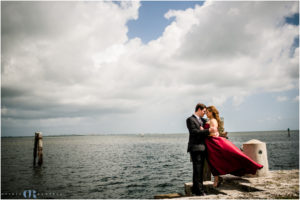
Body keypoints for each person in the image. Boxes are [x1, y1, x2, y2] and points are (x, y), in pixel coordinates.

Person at [204, 106, 263, 188]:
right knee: (214, 162)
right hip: (210, 143)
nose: (206, 114)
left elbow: (214, 132)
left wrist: (203, 132)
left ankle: (216, 181)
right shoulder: (209, 120)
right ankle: (216, 180)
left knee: (216, 161)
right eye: (205, 112)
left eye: (207, 112)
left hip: (214, 143)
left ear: (211, 112)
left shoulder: (213, 120)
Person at [186, 103, 219, 196]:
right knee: (197, 170)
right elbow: (194, 132)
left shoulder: (204, 120)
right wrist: (208, 131)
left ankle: (196, 189)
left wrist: (216, 133)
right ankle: (199, 192)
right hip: (195, 147)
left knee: (199, 171)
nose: (205, 113)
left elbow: (213, 126)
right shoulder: (190, 120)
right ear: (199, 109)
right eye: (204, 111)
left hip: (204, 148)